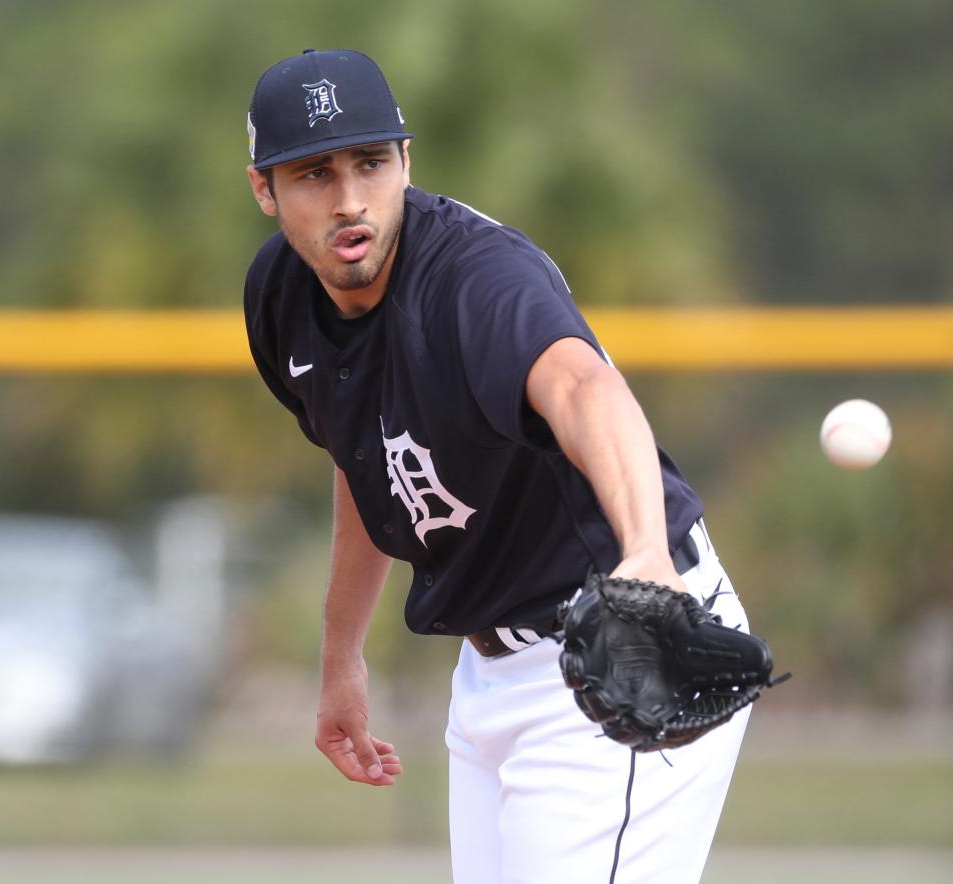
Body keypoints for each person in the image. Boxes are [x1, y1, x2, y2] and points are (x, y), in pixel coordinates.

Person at [243, 48, 752, 884]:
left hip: (617, 640)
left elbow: (587, 388)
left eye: (371, 162)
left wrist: (647, 554)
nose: (349, 198)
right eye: (312, 173)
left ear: (407, 159)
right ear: (264, 189)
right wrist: (341, 658)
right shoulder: (280, 298)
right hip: (489, 678)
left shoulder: (474, 280)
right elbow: (363, 461)